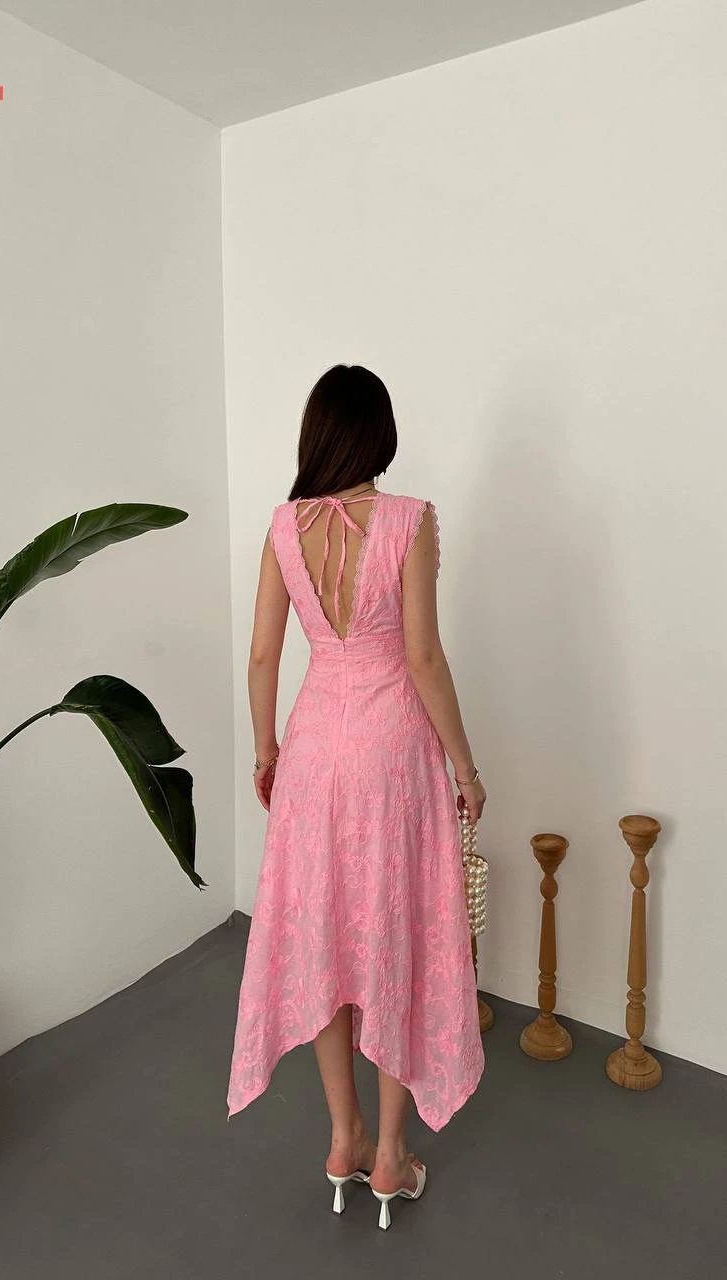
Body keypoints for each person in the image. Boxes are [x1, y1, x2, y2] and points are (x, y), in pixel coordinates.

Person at [227, 363, 487, 1230]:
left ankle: (343, 1138)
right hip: (392, 758)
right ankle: (391, 1157)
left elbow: (262, 655)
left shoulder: (283, 527)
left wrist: (266, 749)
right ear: (378, 433)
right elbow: (423, 658)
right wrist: (465, 767)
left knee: (326, 944)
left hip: (312, 755)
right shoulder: (409, 521)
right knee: (394, 941)